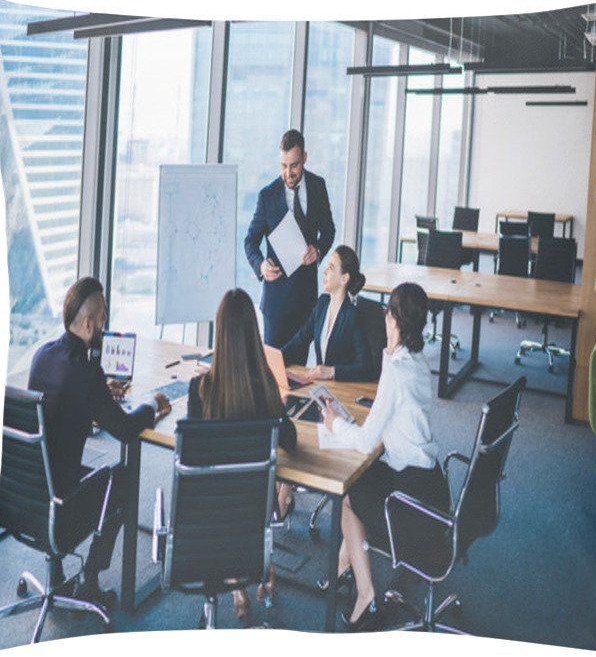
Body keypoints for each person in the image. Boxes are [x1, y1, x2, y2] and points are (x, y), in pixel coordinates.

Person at [28, 277, 172, 610]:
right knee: (120, 479)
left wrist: (100, 392)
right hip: (62, 505)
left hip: (30, 495)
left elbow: (66, 398)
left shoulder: (42, 355)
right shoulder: (86, 373)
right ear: (89, 323)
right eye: (103, 316)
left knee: (74, 466)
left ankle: (59, 571)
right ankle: (89, 580)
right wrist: (153, 404)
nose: (106, 323)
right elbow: (124, 428)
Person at [322, 282, 451, 632]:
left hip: (410, 503)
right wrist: (390, 348)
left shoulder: (396, 370)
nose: (383, 316)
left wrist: (335, 424)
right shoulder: (417, 361)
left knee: (348, 498)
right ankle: (342, 568)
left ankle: (366, 598)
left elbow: (365, 443)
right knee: (362, 482)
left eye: (388, 311)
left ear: (394, 319)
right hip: (432, 486)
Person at [187, 288, 297, 623]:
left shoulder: (199, 389)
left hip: (209, 513)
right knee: (271, 487)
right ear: (253, 334)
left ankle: (237, 586)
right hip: (255, 510)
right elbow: (290, 441)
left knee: (222, 496)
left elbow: (192, 458)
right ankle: (257, 562)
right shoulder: (265, 388)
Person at [244, 128, 336, 349]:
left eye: (294, 165)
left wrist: (318, 249)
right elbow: (250, 242)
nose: (288, 173)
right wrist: (261, 267)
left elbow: (329, 230)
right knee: (274, 373)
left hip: (305, 302)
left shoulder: (318, 187)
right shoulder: (267, 197)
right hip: (276, 304)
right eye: (283, 166)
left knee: (299, 375)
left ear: (304, 158)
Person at [281, 245, 372, 382]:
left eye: (331, 268)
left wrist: (331, 372)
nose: (324, 272)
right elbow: (300, 339)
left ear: (344, 278)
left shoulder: (352, 316)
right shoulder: (322, 304)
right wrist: (277, 357)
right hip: (320, 388)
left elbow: (366, 368)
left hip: (342, 391)